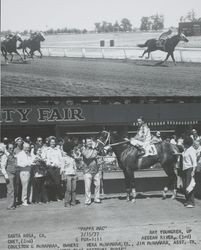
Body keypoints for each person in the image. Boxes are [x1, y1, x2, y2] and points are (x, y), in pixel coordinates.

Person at [42, 136, 64, 201]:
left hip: (57, 168)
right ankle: (50, 197)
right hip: (50, 168)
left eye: (54, 142)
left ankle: (57, 197)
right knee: (50, 183)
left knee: (57, 183)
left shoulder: (58, 150)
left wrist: (60, 166)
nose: (53, 143)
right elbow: (43, 158)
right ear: (49, 143)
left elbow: (61, 159)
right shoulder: (46, 149)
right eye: (51, 142)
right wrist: (48, 163)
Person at [81, 139, 101, 205]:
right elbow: (88, 156)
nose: (90, 143)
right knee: (88, 187)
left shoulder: (95, 150)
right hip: (87, 171)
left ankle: (97, 199)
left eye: (91, 142)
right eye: (88, 142)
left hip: (96, 170)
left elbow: (98, 156)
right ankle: (87, 200)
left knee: (98, 185)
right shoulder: (83, 149)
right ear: (86, 143)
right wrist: (94, 150)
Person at [182, 136, 197, 208]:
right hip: (185, 169)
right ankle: (187, 200)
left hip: (190, 169)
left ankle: (191, 202)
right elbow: (183, 155)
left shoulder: (191, 150)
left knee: (189, 185)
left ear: (187, 143)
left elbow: (194, 162)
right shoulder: (186, 150)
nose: (183, 144)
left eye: (184, 143)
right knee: (185, 185)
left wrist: (193, 171)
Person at [5, 143, 18, 210]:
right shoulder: (5, 156)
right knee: (10, 190)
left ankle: (13, 204)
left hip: (14, 174)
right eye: (10, 148)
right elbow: (2, 166)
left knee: (14, 189)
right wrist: (6, 175)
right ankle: (10, 205)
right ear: (7, 149)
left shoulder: (13, 155)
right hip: (9, 174)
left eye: (12, 148)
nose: (11, 149)